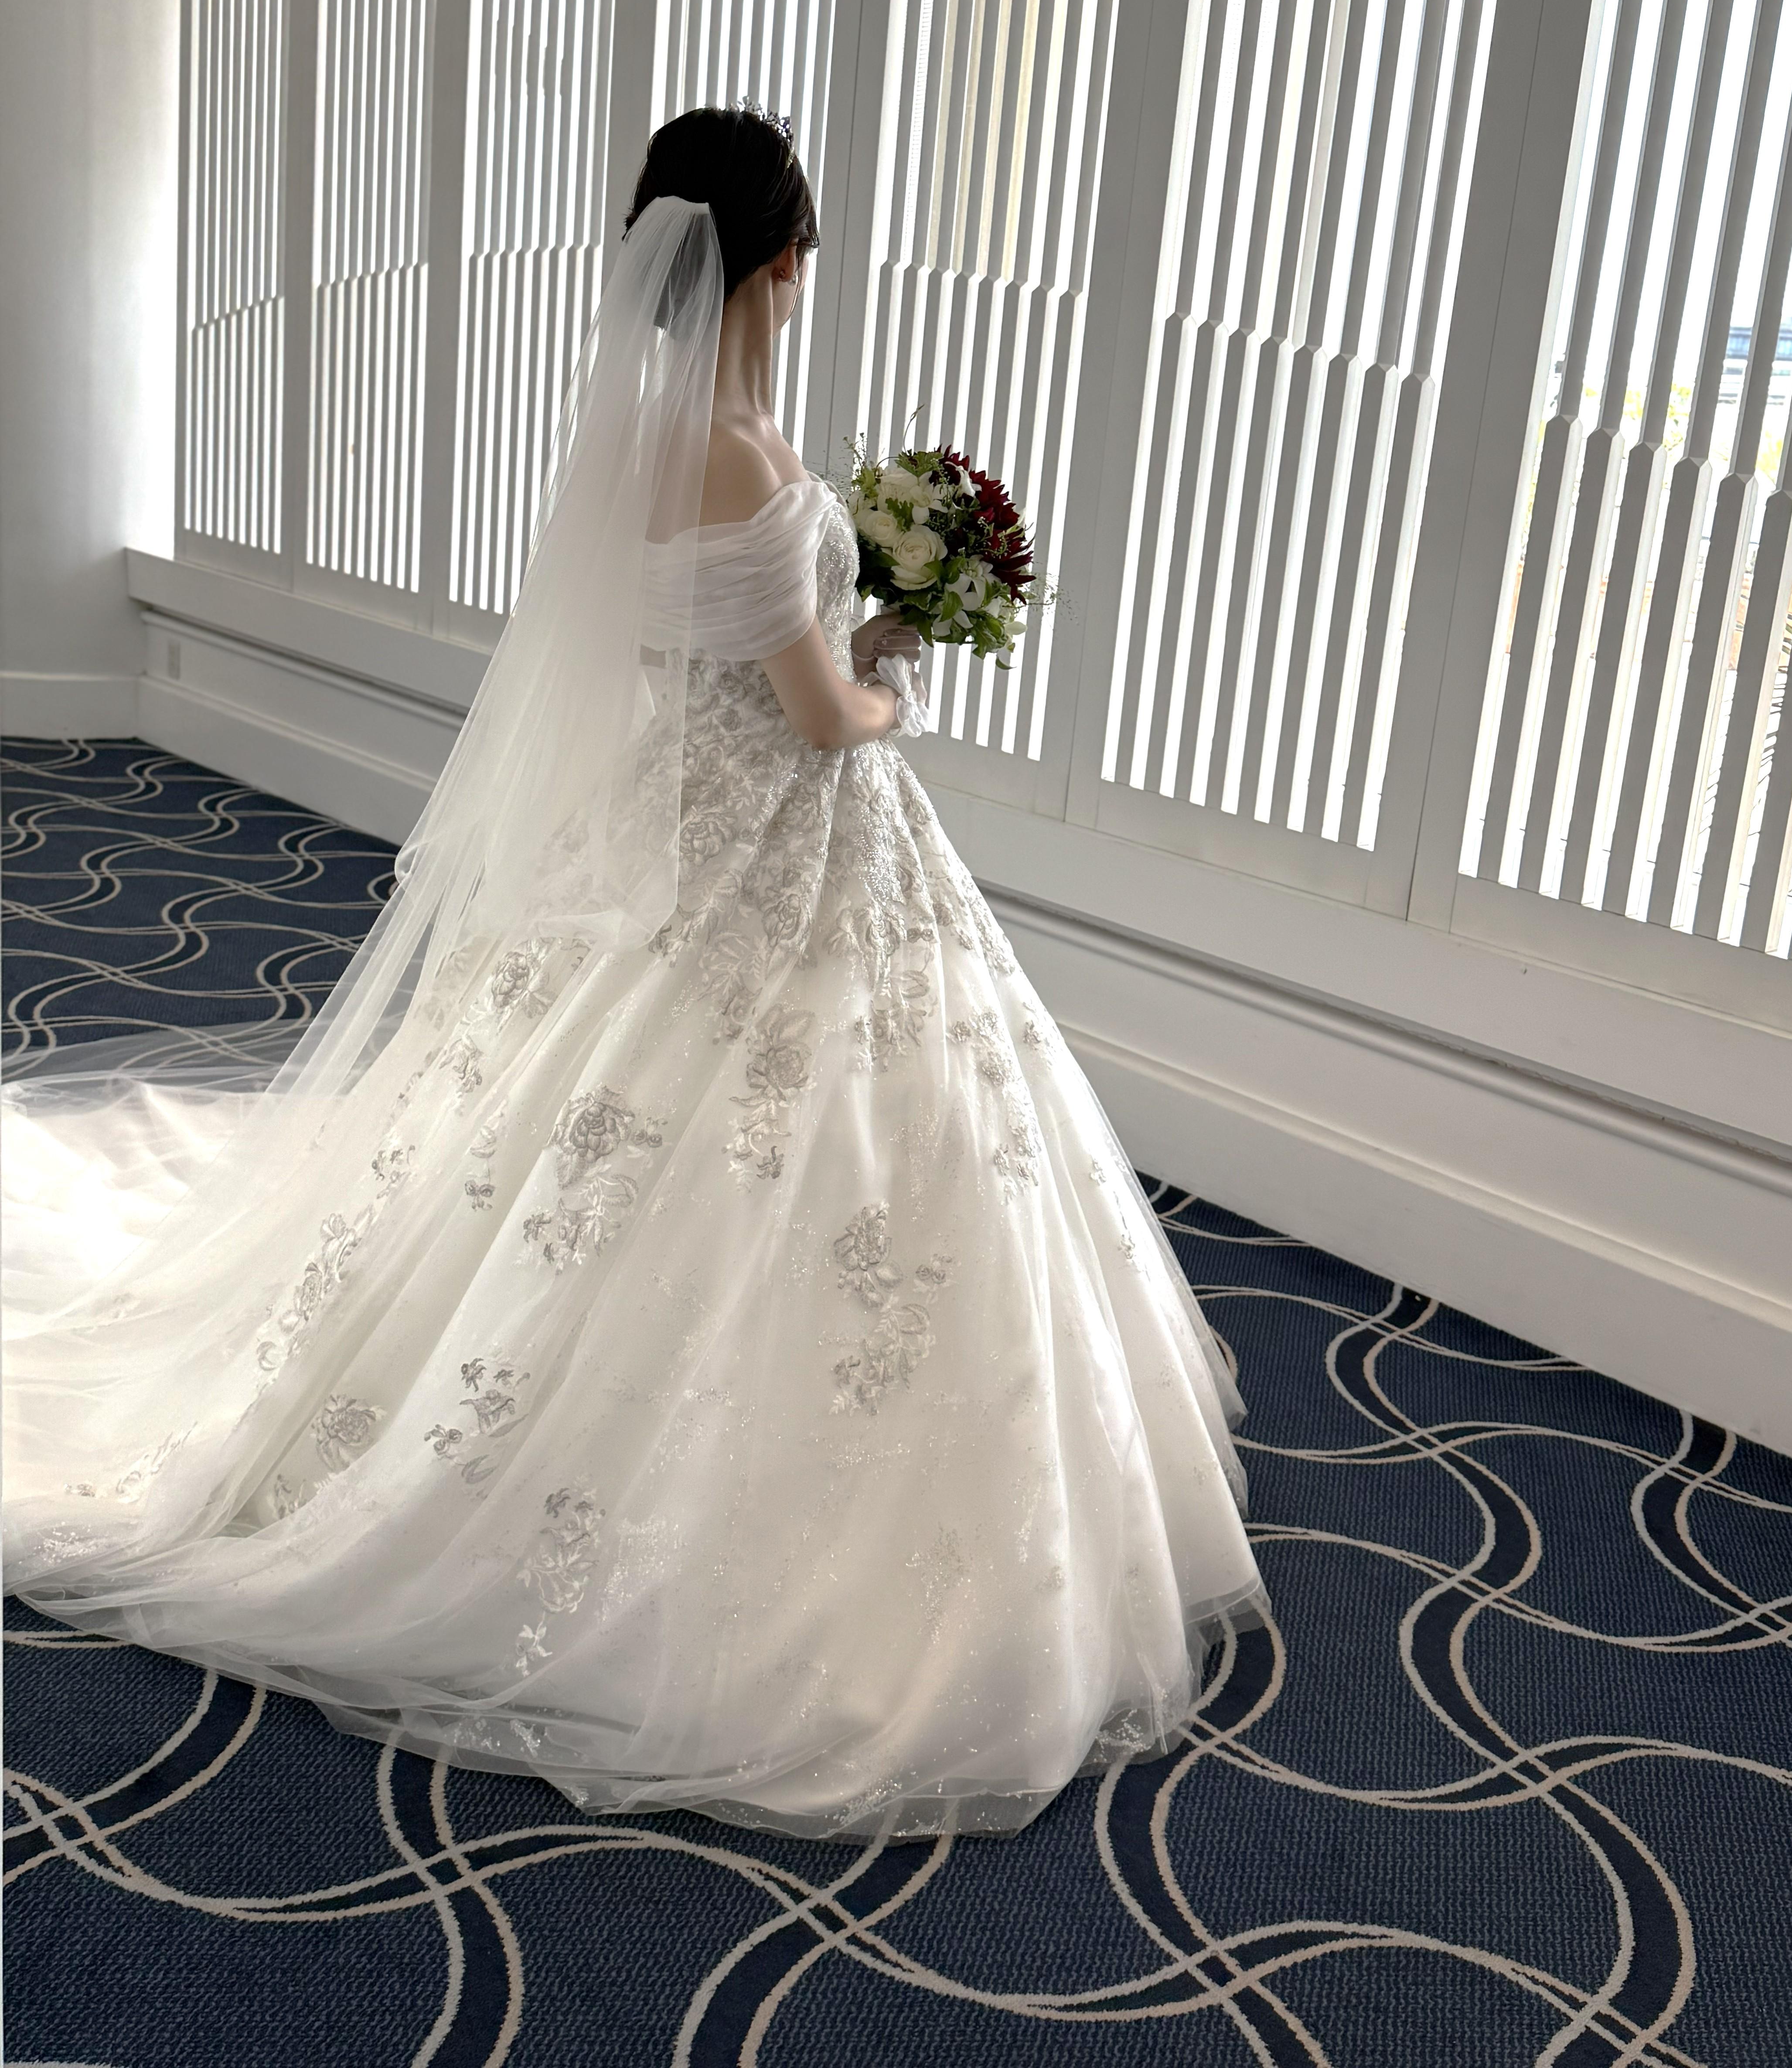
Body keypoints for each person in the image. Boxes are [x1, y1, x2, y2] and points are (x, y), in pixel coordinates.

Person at [2, 106, 1267, 1840]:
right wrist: (898, 677)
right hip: (790, 845)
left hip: (683, 833)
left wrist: (862, 630)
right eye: (805, 253)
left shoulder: (658, 440)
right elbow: (816, 719)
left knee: (608, 1126)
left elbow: (726, 659)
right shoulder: (743, 457)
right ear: (781, 259)